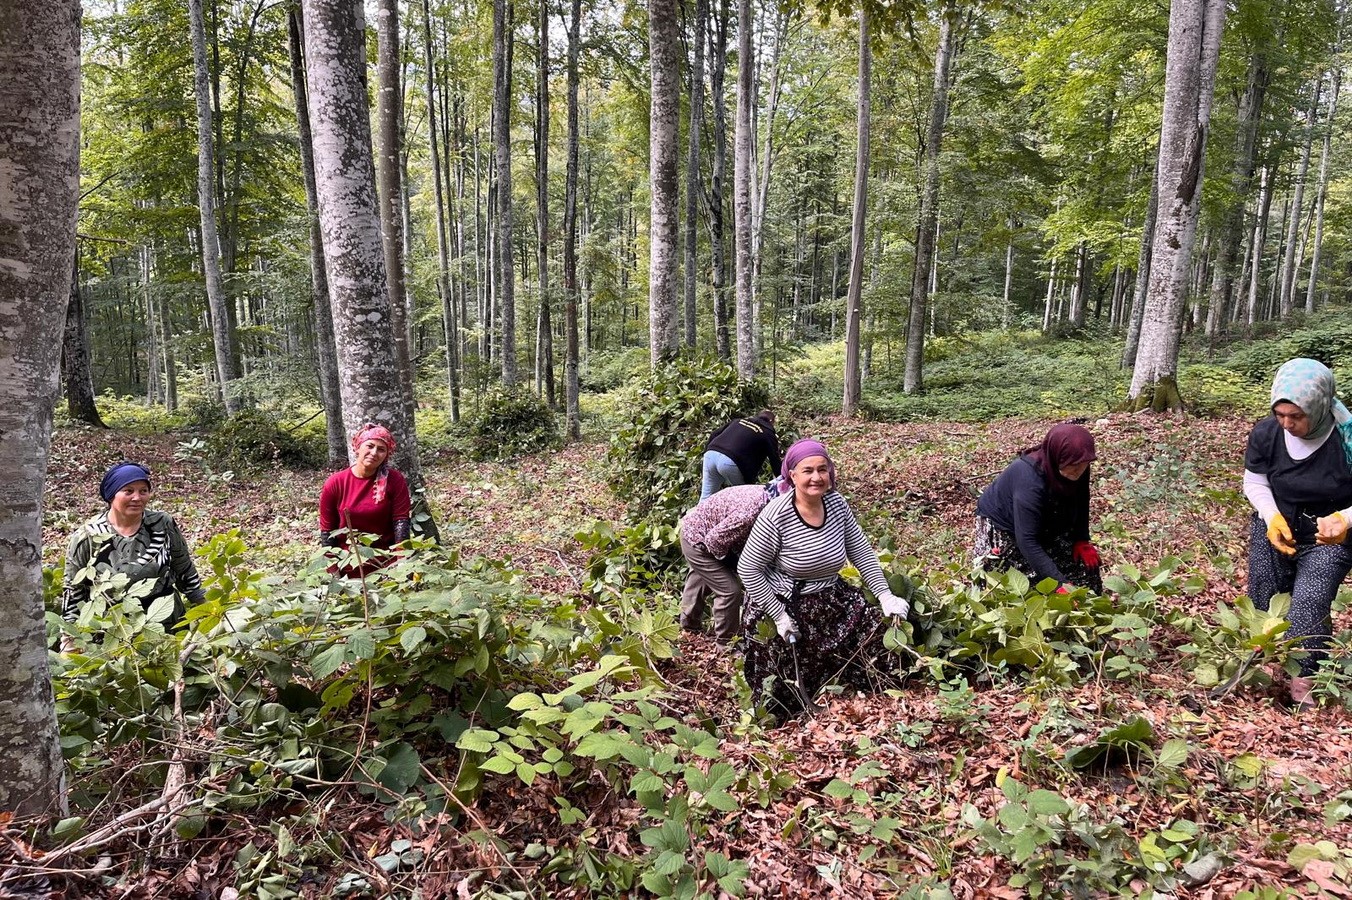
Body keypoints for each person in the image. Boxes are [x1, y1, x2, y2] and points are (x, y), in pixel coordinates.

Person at [736, 439, 910, 720]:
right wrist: (778, 615)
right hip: (784, 600)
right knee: (783, 682)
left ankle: (863, 708)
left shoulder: (836, 504)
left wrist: (884, 595)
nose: (816, 477)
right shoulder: (776, 515)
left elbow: (861, 552)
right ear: (792, 475)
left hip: (830, 595)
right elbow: (748, 569)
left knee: (873, 637)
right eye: (807, 471)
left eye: (822, 469)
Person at [1243, 358, 1352, 710]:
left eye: (1297, 416)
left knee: (1309, 601)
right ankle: (1265, 668)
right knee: (1265, 596)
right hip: (1278, 523)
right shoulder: (1267, 433)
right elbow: (1255, 480)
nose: (1288, 424)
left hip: (1328, 536)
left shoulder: (1346, 439)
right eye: (1281, 415)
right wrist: (1271, 516)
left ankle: (1305, 684)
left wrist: (1344, 519)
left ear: (1319, 406)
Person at [61, 461, 206, 638]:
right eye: (128, 491)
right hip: (113, 628)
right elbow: (73, 590)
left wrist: (207, 612)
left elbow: (185, 570)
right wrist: (69, 639)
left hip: (165, 623)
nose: (137, 498)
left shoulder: (162, 524)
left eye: (143, 491)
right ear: (111, 495)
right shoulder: (88, 536)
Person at [973, 423, 1103, 594]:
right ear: (1057, 457)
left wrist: (1081, 539)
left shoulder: (1077, 464)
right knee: (1024, 588)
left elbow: (1081, 499)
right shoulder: (1029, 480)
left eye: (1084, 464)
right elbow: (1026, 540)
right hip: (1005, 526)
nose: (1079, 471)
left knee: (1084, 573)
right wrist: (1058, 585)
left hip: (1045, 521)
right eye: (1073, 466)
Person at [678, 480, 780, 642]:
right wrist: (736, 565)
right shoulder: (751, 513)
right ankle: (726, 644)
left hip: (705, 530)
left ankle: (688, 628)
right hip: (699, 538)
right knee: (729, 589)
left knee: (700, 579)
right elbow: (714, 541)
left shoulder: (772, 494)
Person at [319, 423, 412, 573]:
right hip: (348, 564)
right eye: (370, 446)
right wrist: (333, 571)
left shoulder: (394, 480)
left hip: (387, 564)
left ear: (386, 455)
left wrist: (402, 563)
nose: (374, 453)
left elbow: (401, 521)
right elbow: (327, 530)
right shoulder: (335, 483)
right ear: (358, 447)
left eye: (381, 449)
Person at [701, 410, 782, 500]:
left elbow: (714, 434)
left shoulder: (738, 421)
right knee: (743, 499)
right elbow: (775, 460)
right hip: (731, 461)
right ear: (772, 421)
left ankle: (698, 514)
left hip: (711, 454)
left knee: (706, 497)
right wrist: (784, 479)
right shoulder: (768, 433)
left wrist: (706, 452)